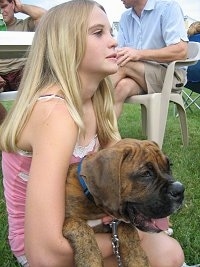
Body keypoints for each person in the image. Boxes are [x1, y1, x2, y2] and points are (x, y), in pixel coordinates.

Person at [0, 1, 185, 266]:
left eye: (111, 31)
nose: (114, 41)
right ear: (66, 44)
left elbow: (121, 172)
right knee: (167, 255)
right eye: (98, 33)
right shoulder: (55, 114)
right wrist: (129, 239)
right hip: (45, 247)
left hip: (89, 222)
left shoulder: (96, 99)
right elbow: (44, 253)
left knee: (168, 251)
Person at [112, 0, 189, 118]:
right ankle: (101, 134)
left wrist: (139, 54)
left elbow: (181, 51)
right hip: (139, 75)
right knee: (122, 87)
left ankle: (81, 104)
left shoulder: (168, 7)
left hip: (171, 76)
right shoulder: (125, 18)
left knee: (121, 65)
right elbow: (119, 53)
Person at [0, 0, 46, 123]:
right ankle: (7, 127)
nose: (1, 11)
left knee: (40, 77)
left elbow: (46, 16)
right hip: (1, 75)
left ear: (12, 4)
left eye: (3, 6)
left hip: (23, 71)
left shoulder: (24, 24)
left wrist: (21, 7)